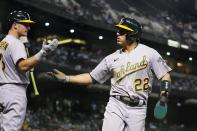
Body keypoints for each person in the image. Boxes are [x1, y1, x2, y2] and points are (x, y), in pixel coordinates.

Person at [49, 17, 172, 131]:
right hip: (116, 105)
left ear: (132, 34)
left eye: (122, 31)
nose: (117, 33)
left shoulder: (150, 53)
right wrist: (67, 78)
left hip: (138, 108)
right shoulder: (111, 58)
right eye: (118, 30)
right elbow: (92, 77)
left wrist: (163, 98)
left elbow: (165, 76)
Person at [0, 10, 58, 130]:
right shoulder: (15, 43)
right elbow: (23, 66)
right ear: (15, 25)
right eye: (25, 24)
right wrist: (43, 53)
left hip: (3, 90)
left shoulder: (3, 42)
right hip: (14, 92)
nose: (28, 27)